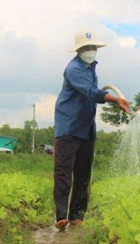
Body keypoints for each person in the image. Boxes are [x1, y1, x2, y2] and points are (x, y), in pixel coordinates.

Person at [53, 30, 130, 232]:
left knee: (83, 174)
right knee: (63, 174)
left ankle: (77, 216)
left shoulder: (90, 67)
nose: (91, 51)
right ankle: (61, 217)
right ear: (79, 50)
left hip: (87, 128)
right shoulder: (74, 69)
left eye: (94, 47)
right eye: (88, 47)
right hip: (69, 128)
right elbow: (90, 91)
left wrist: (110, 99)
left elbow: (94, 93)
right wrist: (114, 99)